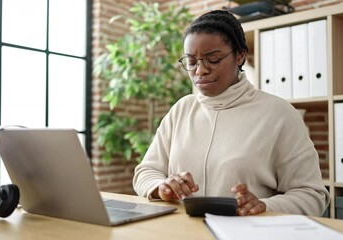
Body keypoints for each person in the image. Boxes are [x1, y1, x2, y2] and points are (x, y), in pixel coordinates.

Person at [132, 10, 330, 216]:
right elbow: (146, 172)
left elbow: (312, 195)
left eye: (213, 59)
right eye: (191, 62)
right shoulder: (182, 109)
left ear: (240, 56)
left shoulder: (280, 114)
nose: (200, 71)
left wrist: (265, 206)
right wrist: (161, 187)